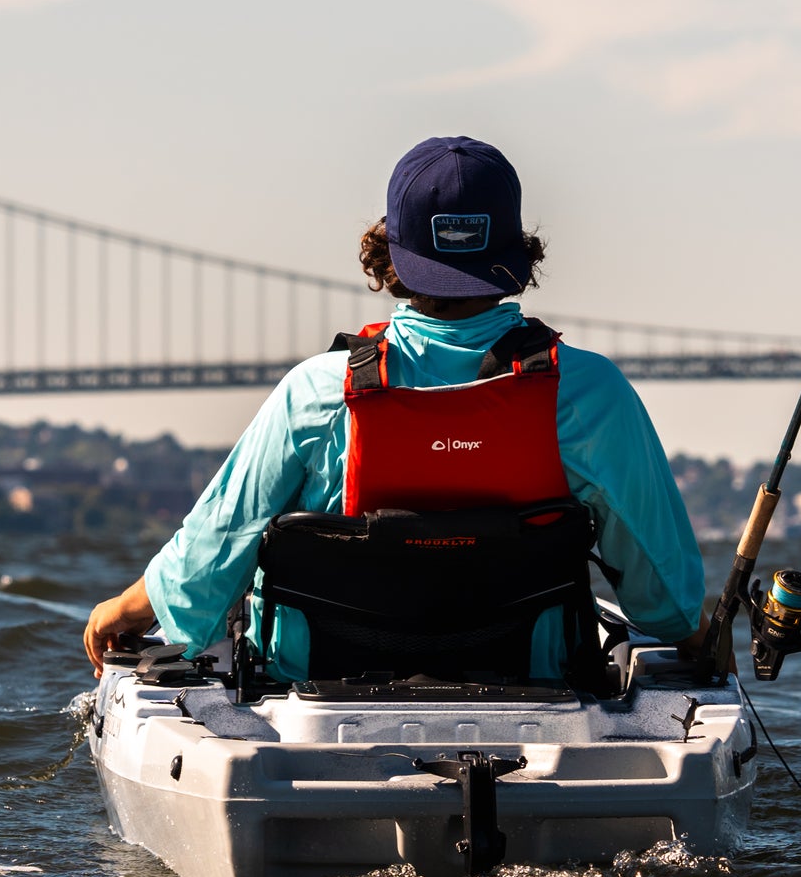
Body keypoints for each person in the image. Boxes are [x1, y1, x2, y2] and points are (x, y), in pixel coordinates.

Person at [84, 137, 704, 678]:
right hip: (534, 690)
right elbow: (669, 608)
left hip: (320, 695)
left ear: (390, 257)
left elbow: (209, 561)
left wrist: (126, 609)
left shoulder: (319, 393)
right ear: (519, 254)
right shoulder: (589, 393)